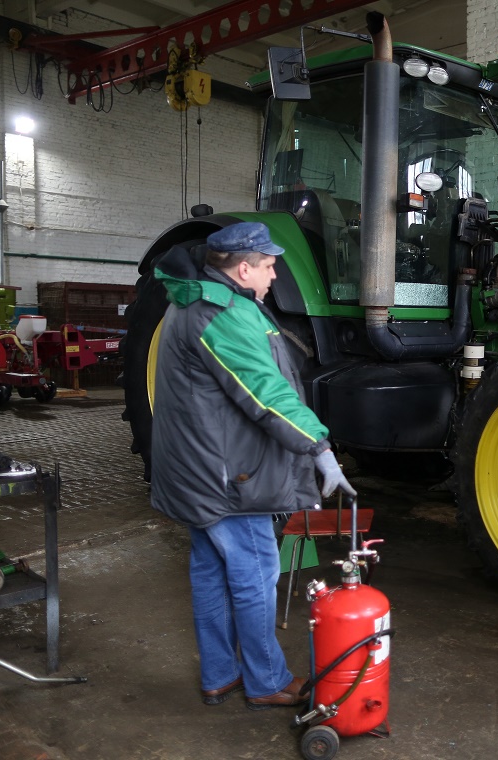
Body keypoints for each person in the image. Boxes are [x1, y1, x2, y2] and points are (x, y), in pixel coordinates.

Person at [149, 221, 356, 709]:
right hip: (228, 478)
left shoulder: (192, 303)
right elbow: (268, 395)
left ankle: (221, 673)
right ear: (243, 268)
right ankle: (266, 681)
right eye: (268, 265)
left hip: (201, 471)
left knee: (211, 571)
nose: (273, 273)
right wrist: (319, 449)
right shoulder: (222, 314)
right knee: (256, 572)